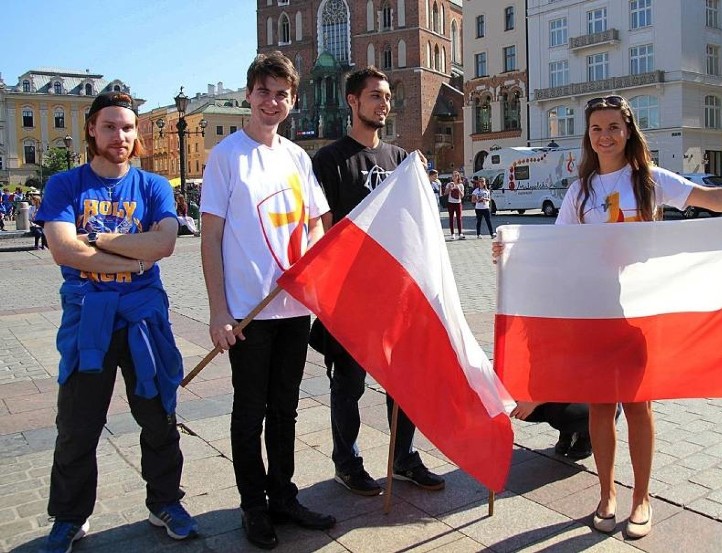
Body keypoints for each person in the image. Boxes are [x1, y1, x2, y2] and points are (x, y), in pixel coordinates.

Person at [493, 95, 722, 540]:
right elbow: (558, 253)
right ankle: (606, 494)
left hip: (641, 310)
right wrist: (513, 254)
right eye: (596, 129)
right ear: (588, 137)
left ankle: (641, 497)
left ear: (628, 130)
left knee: (638, 405)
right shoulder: (581, 191)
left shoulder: (649, 180)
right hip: (595, 310)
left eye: (613, 126)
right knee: (600, 404)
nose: (604, 135)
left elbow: (712, 197)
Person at [36, 91, 197, 553]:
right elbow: (64, 249)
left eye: (127, 127)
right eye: (109, 126)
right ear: (92, 129)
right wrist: (134, 257)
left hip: (144, 321)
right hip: (89, 321)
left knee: (159, 417)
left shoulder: (153, 187)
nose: (120, 136)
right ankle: (69, 517)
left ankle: (165, 502)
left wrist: (101, 241)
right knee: (78, 424)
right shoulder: (66, 185)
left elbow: (165, 243)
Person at [200, 52, 335, 550]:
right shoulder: (226, 156)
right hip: (247, 312)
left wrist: (311, 259)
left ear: (292, 100)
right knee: (248, 410)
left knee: (286, 409)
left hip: (293, 307)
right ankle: (253, 506)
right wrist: (218, 310)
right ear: (249, 94)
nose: (272, 101)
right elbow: (209, 237)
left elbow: (316, 220)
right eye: (264, 91)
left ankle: (283, 495)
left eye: (282, 94)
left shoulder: (297, 157)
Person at [312, 66, 446, 497]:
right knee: (348, 384)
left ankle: (403, 457)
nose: (384, 104)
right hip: (352, 295)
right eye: (374, 96)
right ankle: (346, 462)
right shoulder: (330, 160)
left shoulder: (401, 160)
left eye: (387, 97)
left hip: (396, 294)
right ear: (353, 101)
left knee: (405, 381)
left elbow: (415, 225)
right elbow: (326, 232)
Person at [445, 171, 465, 240]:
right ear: (452, 177)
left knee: (459, 218)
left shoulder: (461, 185)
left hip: (458, 203)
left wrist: (458, 189)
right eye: (453, 176)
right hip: (450, 202)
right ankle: (452, 234)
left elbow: (462, 196)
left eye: (456, 176)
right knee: (451, 218)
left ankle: (460, 233)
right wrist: (450, 189)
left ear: (458, 177)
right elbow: (445, 193)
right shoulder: (449, 184)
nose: (454, 177)